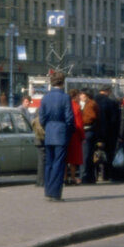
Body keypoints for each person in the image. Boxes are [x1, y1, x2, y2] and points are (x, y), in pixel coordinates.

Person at [38, 71, 73, 201]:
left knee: (49, 163)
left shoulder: (45, 97)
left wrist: (48, 126)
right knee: (59, 164)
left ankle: (48, 191)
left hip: (49, 133)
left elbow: (41, 118)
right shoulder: (65, 97)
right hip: (61, 133)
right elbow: (69, 118)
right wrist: (68, 131)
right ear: (62, 82)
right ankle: (55, 193)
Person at [95, 84, 122, 182]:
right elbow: (115, 120)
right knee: (109, 154)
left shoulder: (93, 101)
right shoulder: (111, 103)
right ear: (108, 91)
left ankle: (94, 174)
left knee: (95, 153)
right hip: (109, 133)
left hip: (95, 132)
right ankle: (107, 174)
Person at [79, 89, 99, 184]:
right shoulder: (89, 103)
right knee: (89, 155)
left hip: (87, 131)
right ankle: (91, 176)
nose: (80, 96)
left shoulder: (90, 104)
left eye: (82, 94)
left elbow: (90, 118)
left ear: (86, 95)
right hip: (90, 131)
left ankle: (84, 176)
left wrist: (80, 120)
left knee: (85, 155)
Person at [66, 89, 85, 185]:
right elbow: (79, 123)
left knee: (65, 157)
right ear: (75, 96)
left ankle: (64, 178)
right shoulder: (77, 107)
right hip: (75, 135)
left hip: (65, 134)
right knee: (73, 158)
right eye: (78, 96)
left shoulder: (66, 105)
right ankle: (73, 177)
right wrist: (82, 136)